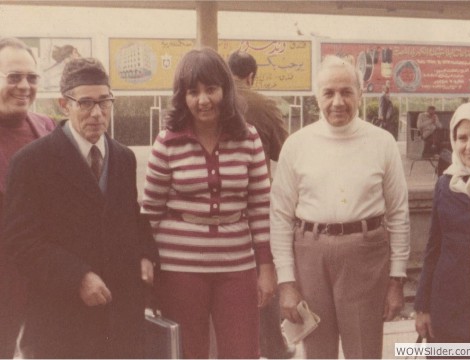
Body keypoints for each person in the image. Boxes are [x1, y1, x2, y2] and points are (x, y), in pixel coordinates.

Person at [2, 57, 159, 358]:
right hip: (61, 321)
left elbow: (131, 218)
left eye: (105, 102)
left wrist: (146, 254)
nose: (97, 113)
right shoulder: (31, 162)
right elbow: (21, 241)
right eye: (85, 103)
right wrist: (77, 276)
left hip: (119, 317)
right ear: (64, 104)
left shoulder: (123, 158)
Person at [270, 55, 410, 359]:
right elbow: (280, 217)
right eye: (329, 93)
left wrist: (396, 280)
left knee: (364, 351)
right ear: (316, 97)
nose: (338, 101)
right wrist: (287, 283)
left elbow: (399, 215)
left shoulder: (382, 143)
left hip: (365, 256)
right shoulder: (296, 145)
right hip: (309, 254)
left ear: (360, 94)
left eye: (347, 92)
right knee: (318, 350)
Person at [141, 47, 276, 359]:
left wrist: (266, 266)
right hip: (178, 267)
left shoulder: (249, 138)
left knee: (243, 351)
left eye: (211, 89)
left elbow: (259, 206)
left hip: (237, 265)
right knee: (190, 352)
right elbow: (150, 211)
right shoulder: (167, 142)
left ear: (225, 91)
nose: (203, 100)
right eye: (193, 92)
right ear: (182, 96)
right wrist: (146, 260)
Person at [227, 50, 292, 359]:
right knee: (265, 277)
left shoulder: (208, 101)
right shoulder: (263, 105)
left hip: (213, 213)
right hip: (256, 207)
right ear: (251, 77)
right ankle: (273, 345)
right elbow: (286, 153)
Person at [0, 37, 56, 359]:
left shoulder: (46, 127)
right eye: (13, 77)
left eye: (32, 78)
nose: (24, 86)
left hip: (43, 281)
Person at [415, 101, 470, 358]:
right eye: (462, 138)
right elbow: (433, 248)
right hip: (448, 306)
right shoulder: (445, 184)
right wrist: (422, 306)